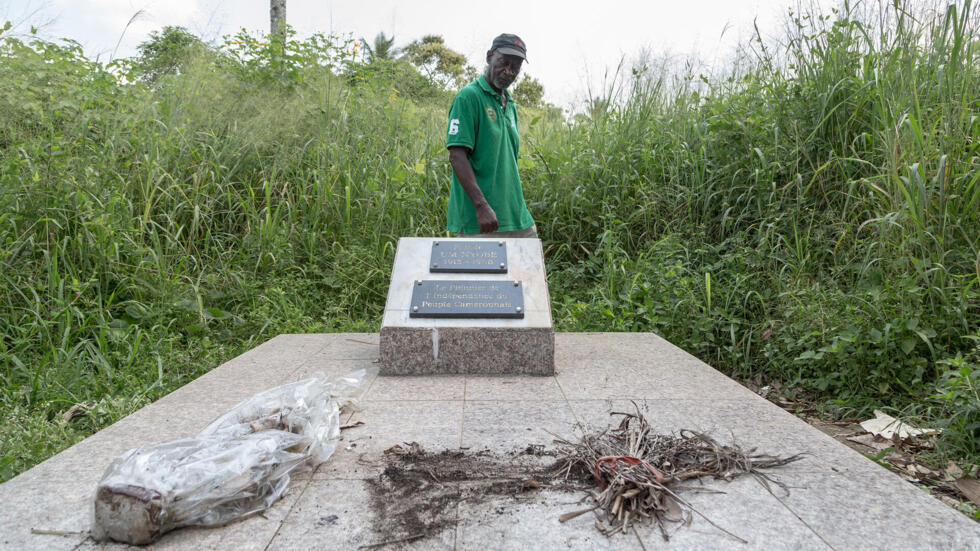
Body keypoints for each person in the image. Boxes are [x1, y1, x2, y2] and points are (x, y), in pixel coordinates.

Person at [445, 33, 537, 238]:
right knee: (481, 270)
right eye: (504, 63)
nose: (508, 72)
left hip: (516, 217)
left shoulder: (510, 104)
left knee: (531, 267)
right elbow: (457, 156)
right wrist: (481, 206)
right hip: (482, 221)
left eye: (515, 67)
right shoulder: (469, 97)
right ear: (489, 57)